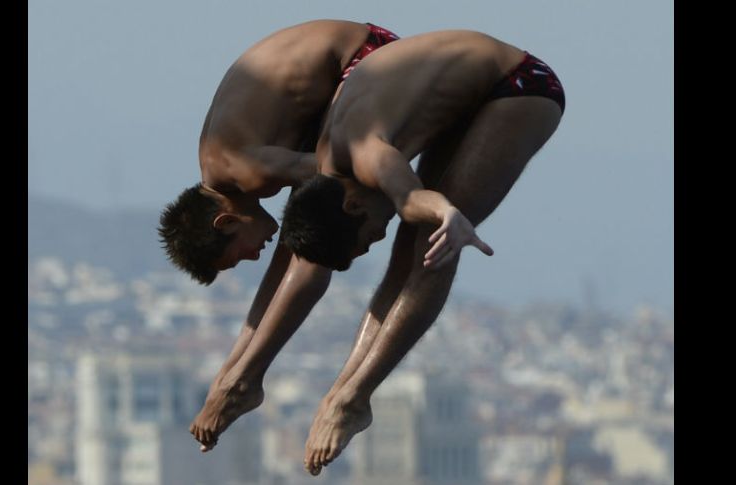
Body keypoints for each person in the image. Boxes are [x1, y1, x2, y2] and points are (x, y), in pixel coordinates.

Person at [280, 29, 565, 475]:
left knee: (433, 244)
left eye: (367, 235)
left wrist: (447, 213)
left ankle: (352, 400)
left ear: (352, 205)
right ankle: (341, 392)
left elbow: (414, 203)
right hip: (467, 96)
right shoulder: (329, 169)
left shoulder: (367, 156)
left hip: (519, 85)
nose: (380, 232)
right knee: (408, 247)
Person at [156, 19, 400, 451]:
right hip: (348, 65)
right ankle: (240, 378)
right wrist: (232, 365)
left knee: (317, 236)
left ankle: (245, 382)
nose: (253, 258)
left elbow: (331, 185)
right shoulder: (225, 172)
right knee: (304, 229)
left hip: (365, 57)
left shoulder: (242, 169)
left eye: (237, 255)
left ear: (226, 222)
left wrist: (243, 373)